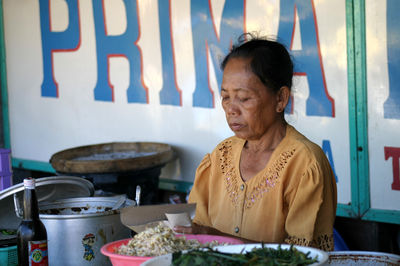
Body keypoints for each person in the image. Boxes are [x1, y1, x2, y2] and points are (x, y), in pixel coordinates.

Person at [174, 34, 337, 251]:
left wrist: (220, 240)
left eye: (243, 98)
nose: (231, 109)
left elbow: (303, 256)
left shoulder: (305, 165)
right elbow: (197, 229)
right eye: (226, 97)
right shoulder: (220, 157)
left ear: (280, 99)